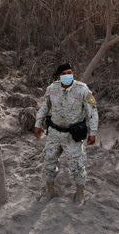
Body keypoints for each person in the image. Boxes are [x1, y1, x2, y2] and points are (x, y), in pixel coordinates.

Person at [34, 62, 99, 205]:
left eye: (69, 73)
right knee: (48, 162)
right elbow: (44, 107)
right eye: (63, 74)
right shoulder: (51, 89)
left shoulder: (82, 89)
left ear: (73, 74)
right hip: (54, 133)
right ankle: (50, 191)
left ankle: (80, 193)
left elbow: (92, 111)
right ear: (58, 76)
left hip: (73, 135)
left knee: (77, 165)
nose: (67, 76)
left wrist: (92, 132)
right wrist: (38, 123)